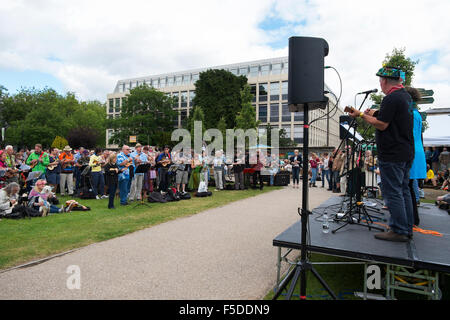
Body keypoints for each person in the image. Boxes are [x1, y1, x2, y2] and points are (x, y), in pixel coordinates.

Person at [348, 65, 414, 242]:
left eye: (380, 81)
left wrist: (361, 114)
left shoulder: (391, 98)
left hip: (392, 153)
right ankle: (407, 227)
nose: (380, 84)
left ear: (384, 81)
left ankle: (398, 230)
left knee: (393, 192)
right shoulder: (405, 97)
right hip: (405, 151)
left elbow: (382, 124)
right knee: (403, 190)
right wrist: (375, 113)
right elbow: (393, 117)